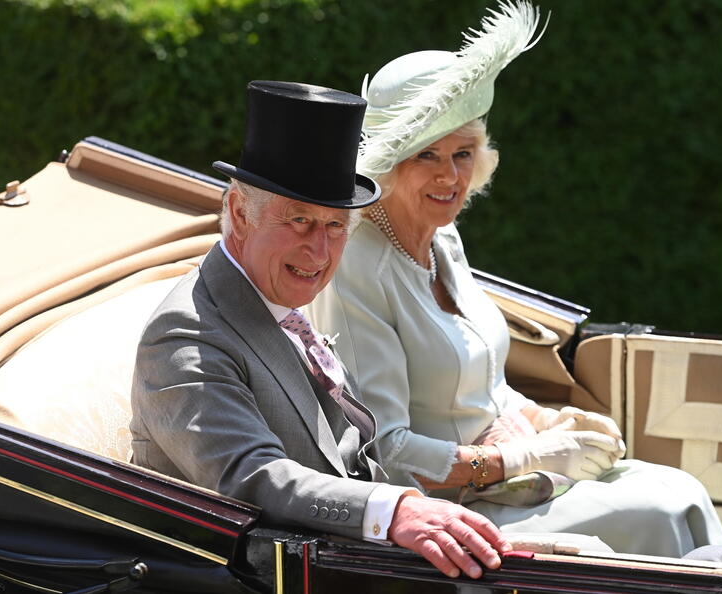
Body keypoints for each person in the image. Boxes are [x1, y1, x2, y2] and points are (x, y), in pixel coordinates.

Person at [309, 0, 722, 557]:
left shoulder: (443, 237)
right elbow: (383, 451)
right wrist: (524, 457)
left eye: (463, 153)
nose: (449, 175)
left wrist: (544, 419)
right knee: (658, 509)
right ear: (388, 163)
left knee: (679, 487)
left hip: (511, 481)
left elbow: (479, 381)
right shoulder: (355, 267)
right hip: (445, 517)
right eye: (426, 155)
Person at [130, 80, 518, 580]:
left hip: (349, 554)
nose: (319, 253)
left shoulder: (279, 293)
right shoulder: (186, 333)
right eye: (298, 221)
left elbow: (356, 450)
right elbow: (252, 475)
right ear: (239, 214)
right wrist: (395, 509)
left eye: (336, 226)